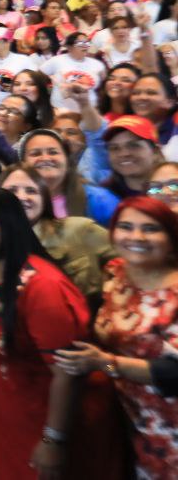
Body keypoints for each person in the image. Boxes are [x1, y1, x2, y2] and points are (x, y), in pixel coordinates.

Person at [0, 186, 120, 479]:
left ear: (9, 224)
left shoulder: (44, 287)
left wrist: (53, 439)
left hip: (37, 419)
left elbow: (67, 372)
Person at [54, 196, 178, 479]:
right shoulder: (115, 273)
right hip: (123, 417)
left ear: (171, 238)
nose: (136, 236)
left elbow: (174, 372)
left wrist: (106, 363)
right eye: (126, 226)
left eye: (150, 229)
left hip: (167, 428)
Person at [0, 163, 113, 303]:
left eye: (31, 191)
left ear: (44, 198)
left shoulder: (80, 230)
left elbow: (129, 263)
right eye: (12, 191)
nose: (22, 197)